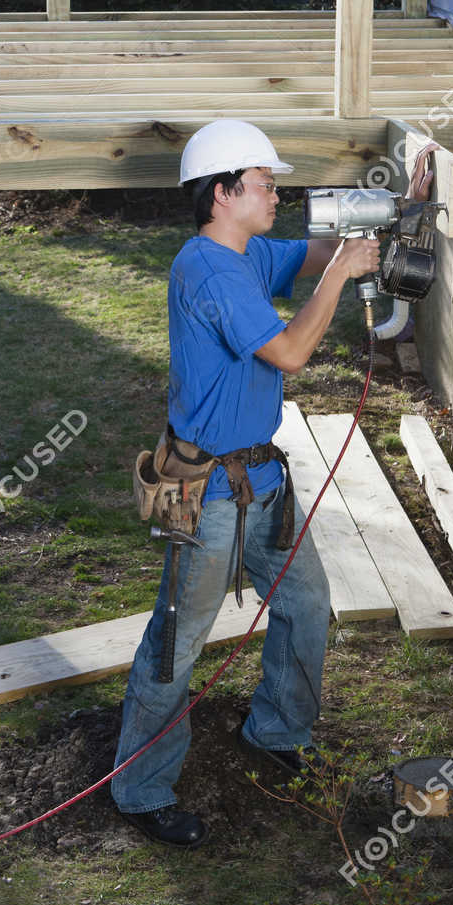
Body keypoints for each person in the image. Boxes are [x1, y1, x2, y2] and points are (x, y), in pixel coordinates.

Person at [110, 118, 381, 849]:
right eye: (265, 183)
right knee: (179, 642)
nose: (276, 193)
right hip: (209, 491)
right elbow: (292, 351)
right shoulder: (207, 270)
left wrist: (394, 214)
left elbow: (319, 252)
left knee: (306, 603)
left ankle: (278, 729)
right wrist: (337, 276)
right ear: (224, 192)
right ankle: (139, 790)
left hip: (262, 476)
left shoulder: (248, 254)